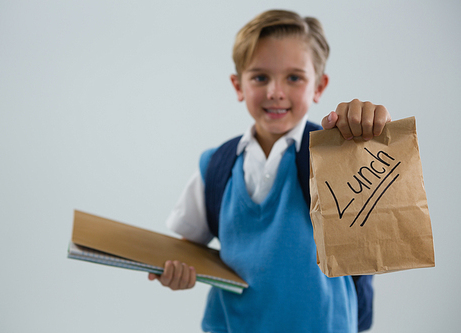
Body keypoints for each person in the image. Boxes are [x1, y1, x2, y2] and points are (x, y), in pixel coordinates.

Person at [149, 9, 390, 332]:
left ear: (319, 86)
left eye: (294, 77)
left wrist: (368, 136)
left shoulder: (337, 154)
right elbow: (186, 249)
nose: (275, 91)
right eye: (260, 77)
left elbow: (377, 209)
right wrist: (175, 271)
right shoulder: (216, 165)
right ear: (238, 86)